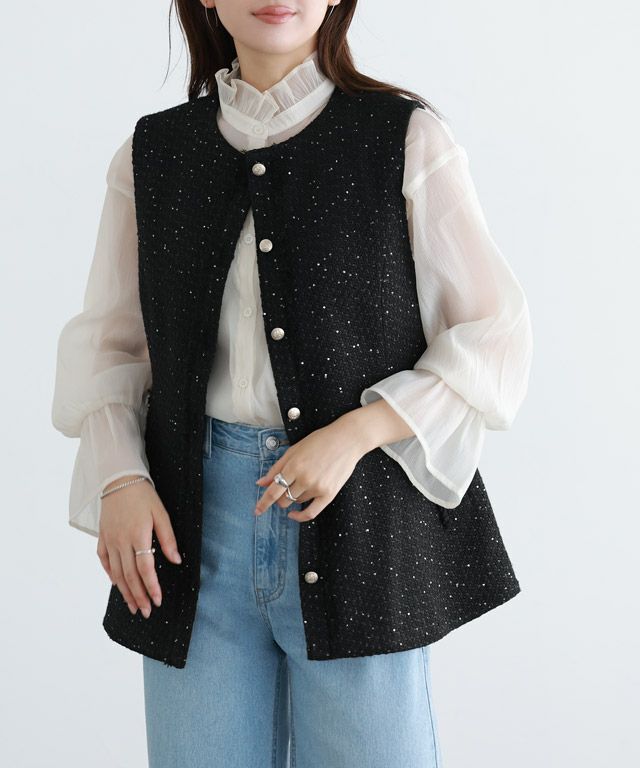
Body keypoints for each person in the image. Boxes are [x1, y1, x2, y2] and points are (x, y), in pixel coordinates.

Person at [51, 1, 533, 766]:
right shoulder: (154, 154)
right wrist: (118, 477)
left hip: (361, 521)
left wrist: (357, 432)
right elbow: (113, 341)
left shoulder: (404, 138)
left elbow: (493, 331)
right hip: (192, 531)